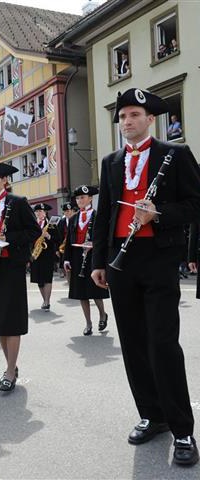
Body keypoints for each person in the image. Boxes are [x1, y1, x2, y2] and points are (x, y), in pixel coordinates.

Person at [91, 88, 200, 466]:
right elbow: (103, 213)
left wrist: (160, 214)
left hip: (157, 258)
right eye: (122, 117)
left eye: (134, 115)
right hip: (121, 259)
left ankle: (183, 429)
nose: (127, 122)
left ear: (150, 119)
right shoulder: (111, 161)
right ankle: (152, 415)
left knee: (163, 343)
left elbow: (195, 204)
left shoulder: (176, 154)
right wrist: (99, 260)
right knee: (133, 342)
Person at [0, 162, 40, 392]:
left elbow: (34, 231)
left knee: (11, 322)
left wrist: (8, 237)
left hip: (11, 268)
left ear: (5, 181)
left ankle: (10, 370)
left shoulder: (18, 202)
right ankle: (10, 364)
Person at [64, 185, 109, 335]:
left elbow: (104, 237)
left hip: (93, 257)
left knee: (95, 290)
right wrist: (66, 259)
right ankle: (88, 323)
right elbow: (69, 239)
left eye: (82, 197)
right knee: (81, 293)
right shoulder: (74, 218)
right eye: (77, 198)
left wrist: (93, 244)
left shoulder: (98, 215)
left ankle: (102, 314)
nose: (79, 200)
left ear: (90, 198)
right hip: (77, 257)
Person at [30, 203, 59, 312]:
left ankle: (47, 301)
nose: (39, 213)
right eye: (37, 211)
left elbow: (57, 238)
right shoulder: (33, 224)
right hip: (35, 254)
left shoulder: (51, 224)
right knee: (39, 280)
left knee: (47, 278)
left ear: (45, 212)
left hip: (47, 254)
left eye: (41, 211)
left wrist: (49, 236)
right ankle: (44, 299)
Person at [56, 202, 75, 281]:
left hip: (75, 248)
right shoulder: (61, 222)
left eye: (69, 210)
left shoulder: (77, 219)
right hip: (64, 249)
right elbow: (57, 237)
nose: (68, 212)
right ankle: (69, 282)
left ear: (73, 211)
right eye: (66, 211)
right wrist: (57, 249)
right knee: (67, 267)